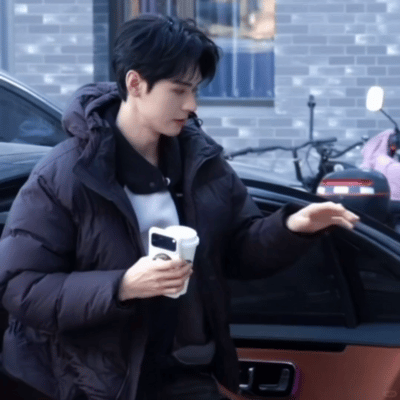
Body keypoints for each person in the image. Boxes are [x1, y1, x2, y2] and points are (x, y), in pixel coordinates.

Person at [0, 14, 359, 400]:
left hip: (186, 370)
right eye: (178, 90)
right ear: (135, 84)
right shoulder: (67, 173)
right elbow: (21, 286)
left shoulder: (200, 162)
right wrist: (121, 286)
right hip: (96, 383)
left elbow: (238, 252)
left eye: (195, 90)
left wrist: (293, 227)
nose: (191, 105)